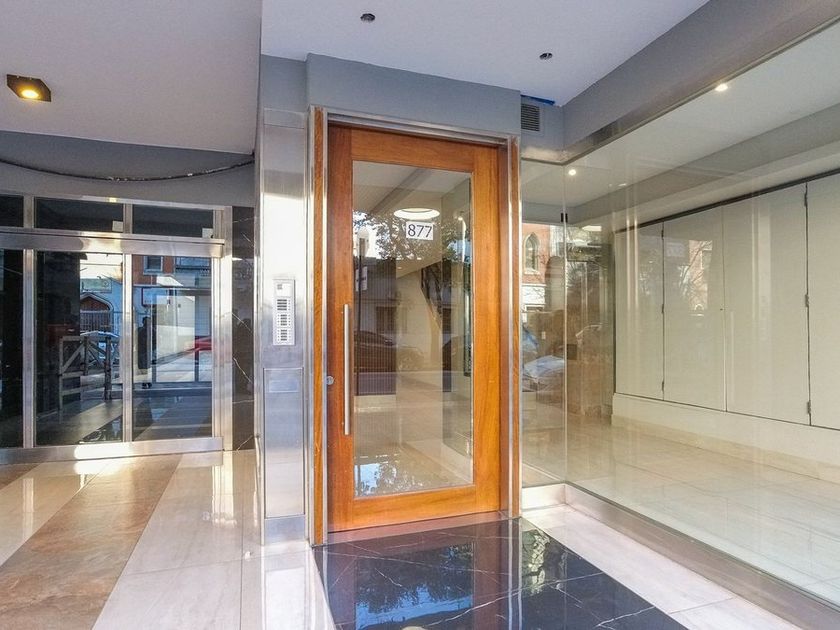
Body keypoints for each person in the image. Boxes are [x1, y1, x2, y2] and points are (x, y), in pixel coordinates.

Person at [137, 316, 152, 389]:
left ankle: (145, 381)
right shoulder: (140, 329)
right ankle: (146, 381)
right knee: (141, 366)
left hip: (146, 351)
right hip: (140, 350)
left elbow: (155, 341)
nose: (146, 323)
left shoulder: (151, 330)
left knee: (144, 367)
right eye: (145, 321)